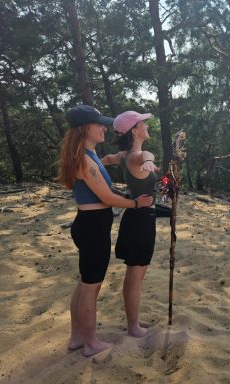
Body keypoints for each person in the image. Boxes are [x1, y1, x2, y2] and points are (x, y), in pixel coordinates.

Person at [58, 105, 153, 356]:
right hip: (92, 228)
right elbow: (107, 196)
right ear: (83, 129)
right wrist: (134, 203)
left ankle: (77, 337)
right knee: (91, 286)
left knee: (84, 284)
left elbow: (103, 192)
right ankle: (90, 342)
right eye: (98, 124)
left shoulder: (88, 156)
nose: (103, 127)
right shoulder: (86, 161)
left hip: (90, 225)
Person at [101, 111, 159, 338]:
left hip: (135, 218)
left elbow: (104, 160)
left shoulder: (123, 155)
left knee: (134, 274)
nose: (146, 125)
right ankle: (133, 327)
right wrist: (149, 162)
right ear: (134, 130)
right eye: (143, 123)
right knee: (136, 276)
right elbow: (147, 156)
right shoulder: (136, 155)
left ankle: (133, 319)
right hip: (141, 220)